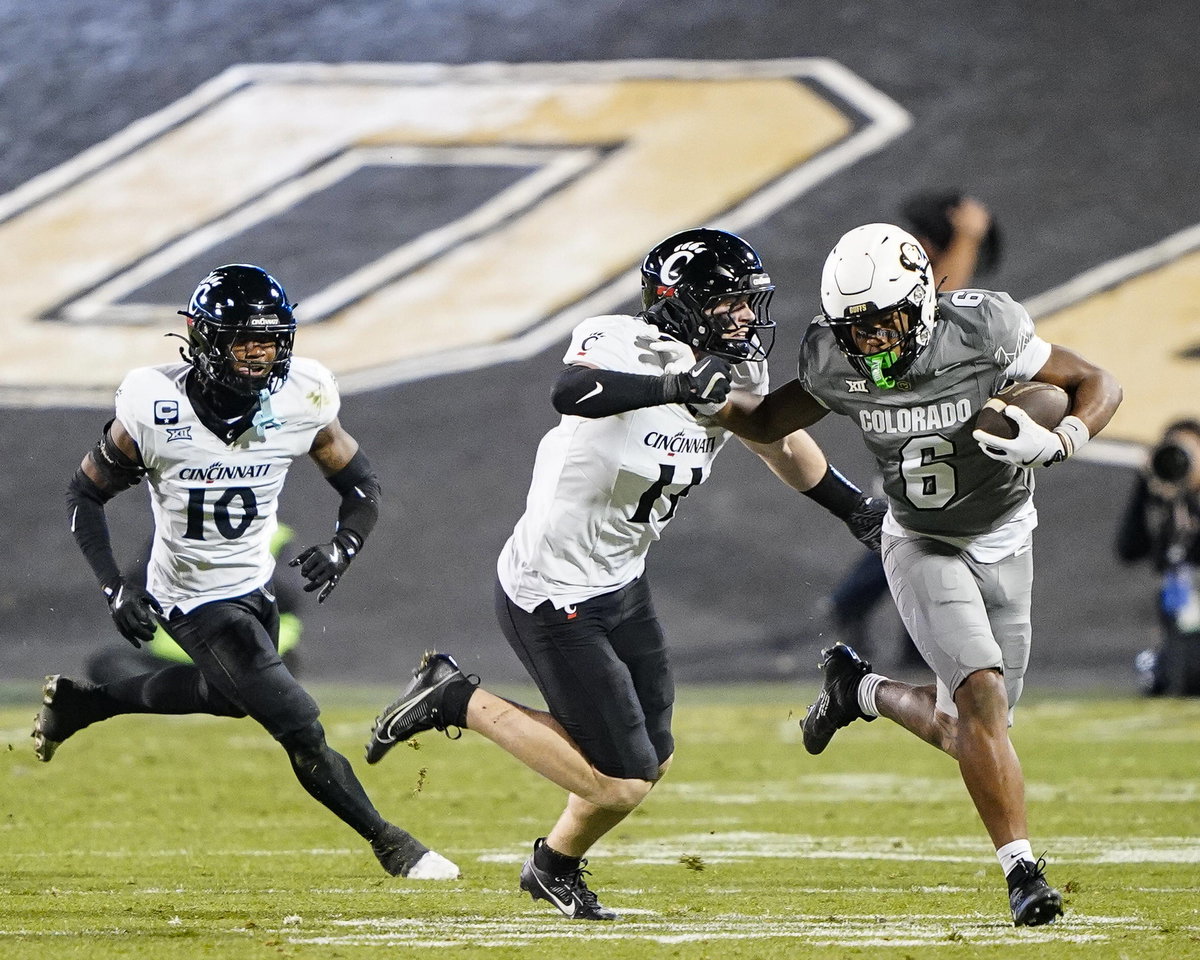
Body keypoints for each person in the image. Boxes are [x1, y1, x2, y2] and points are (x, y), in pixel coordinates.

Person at [361, 229, 885, 920]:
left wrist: (854, 509)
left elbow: (774, 438)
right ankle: (452, 696)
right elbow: (571, 389)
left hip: (620, 577)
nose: (743, 319)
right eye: (727, 305)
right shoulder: (618, 340)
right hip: (552, 587)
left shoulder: (736, 371)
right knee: (619, 782)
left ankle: (552, 867)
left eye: (746, 304)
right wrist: (673, 384)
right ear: (679, 304)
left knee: (654, 756)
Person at [713, 223, 1122, 927]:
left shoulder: (985, 329)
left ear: (923, 302)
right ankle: (1022, 872)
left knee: (969, 727)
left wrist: (1060, 438)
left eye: (881, 323)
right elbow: (772, 419)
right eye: (853, 329)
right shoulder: (831, 355)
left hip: (1006, 537)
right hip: (920, 541)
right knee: (981, 698)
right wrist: (691, 393)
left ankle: (859, 689)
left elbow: (1095, 383)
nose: (868, 343)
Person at [37, 264, 457, 880]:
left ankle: (87, 705)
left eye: (269, 340)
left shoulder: (302, 396)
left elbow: (361, 485)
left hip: (253, 583)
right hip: (191, 598)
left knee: (231, 700)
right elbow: (84, 495)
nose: (259, 355)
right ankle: (395, 846)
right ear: (203, 339)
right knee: (299, 724)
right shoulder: (155, 407)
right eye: (242, 340)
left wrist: (343, 546)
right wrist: (114, 584)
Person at [827, 194, 999, 666]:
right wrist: (966, 236)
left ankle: (915, 644)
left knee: (929, 540)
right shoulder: (897, 306)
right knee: (916, 529)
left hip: (916, 434)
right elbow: (939, 298)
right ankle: (852, 601)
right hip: (912, 440)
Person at [85, 522, 304, 684]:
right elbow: (137, 583)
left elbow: (287, 596)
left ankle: (194, 693)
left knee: (280, 669)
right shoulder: (172, 531)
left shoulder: (273, 536)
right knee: (107, 663)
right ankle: (193, 693)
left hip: (247, 655)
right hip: (175, 658)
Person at [1116, 419, 1200, 695]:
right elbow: (1128, 550)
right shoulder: (1166, 506)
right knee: (1162, 682)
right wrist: (1144, 485)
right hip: (1179, 634)